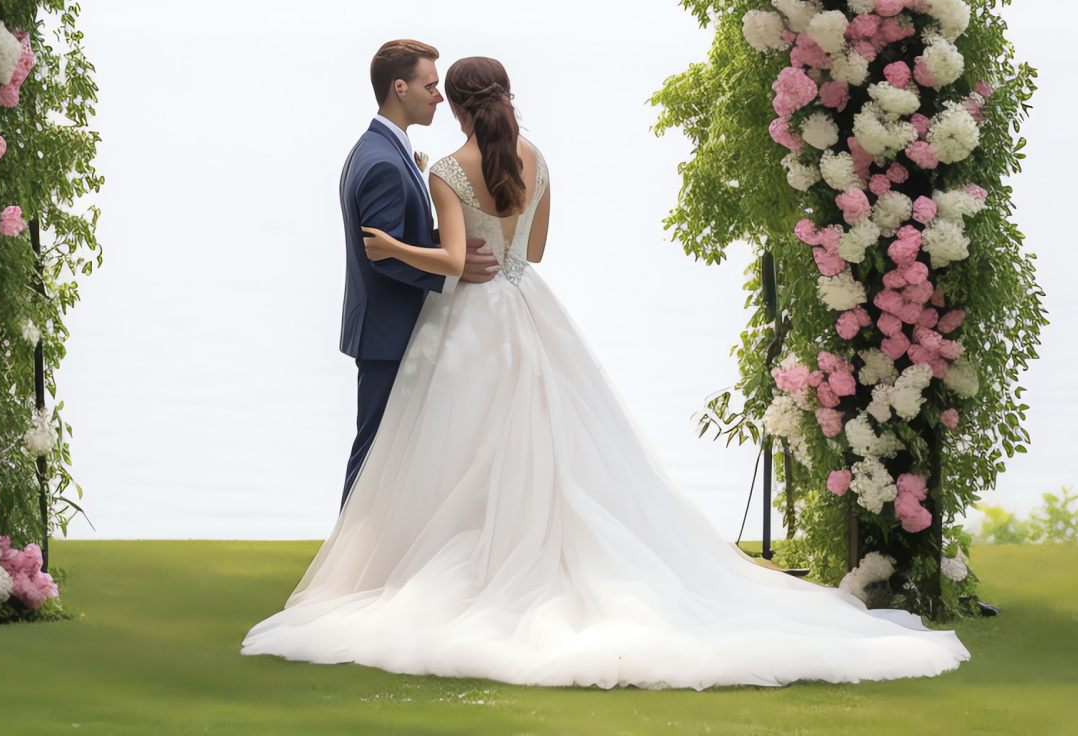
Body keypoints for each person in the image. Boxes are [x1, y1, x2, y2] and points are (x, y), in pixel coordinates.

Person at [245, 56, 969, 688]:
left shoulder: (444, 171)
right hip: (530, 307)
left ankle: (442, 564)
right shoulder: (538, 159)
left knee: (459, 442)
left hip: (472, 318)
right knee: (548, 436)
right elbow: (541, 250)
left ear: (461, 106)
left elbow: (457, 258)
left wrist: (400, 250)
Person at [335, 39, 498, 504]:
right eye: (430, 86)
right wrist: (454, 267)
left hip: (387, 328)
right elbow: (383, 255)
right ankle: (343, 568)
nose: (439, 96)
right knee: (373, 458)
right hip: (388, 332)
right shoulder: (383, 162)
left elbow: (398, 238)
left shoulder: (381, 148)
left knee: (389, 457)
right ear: (399, 87)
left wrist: (442, 242)